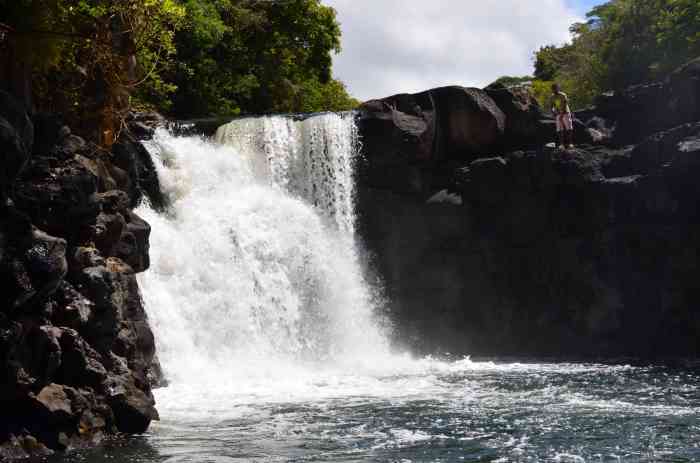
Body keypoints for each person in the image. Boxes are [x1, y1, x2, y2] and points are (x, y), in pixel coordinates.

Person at [550, 83, 574, 149]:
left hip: (565, 113)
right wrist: (553, 112)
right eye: (553, 89)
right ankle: (561, 144)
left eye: (556, 88)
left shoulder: (563, 95)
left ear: (558, 88)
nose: (554, 90)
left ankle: (570, 143)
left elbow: (565, 105)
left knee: (569, 128)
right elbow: (552, 105)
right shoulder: (552, 97)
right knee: (559, 129)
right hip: (558, 113)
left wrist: (561, 114)